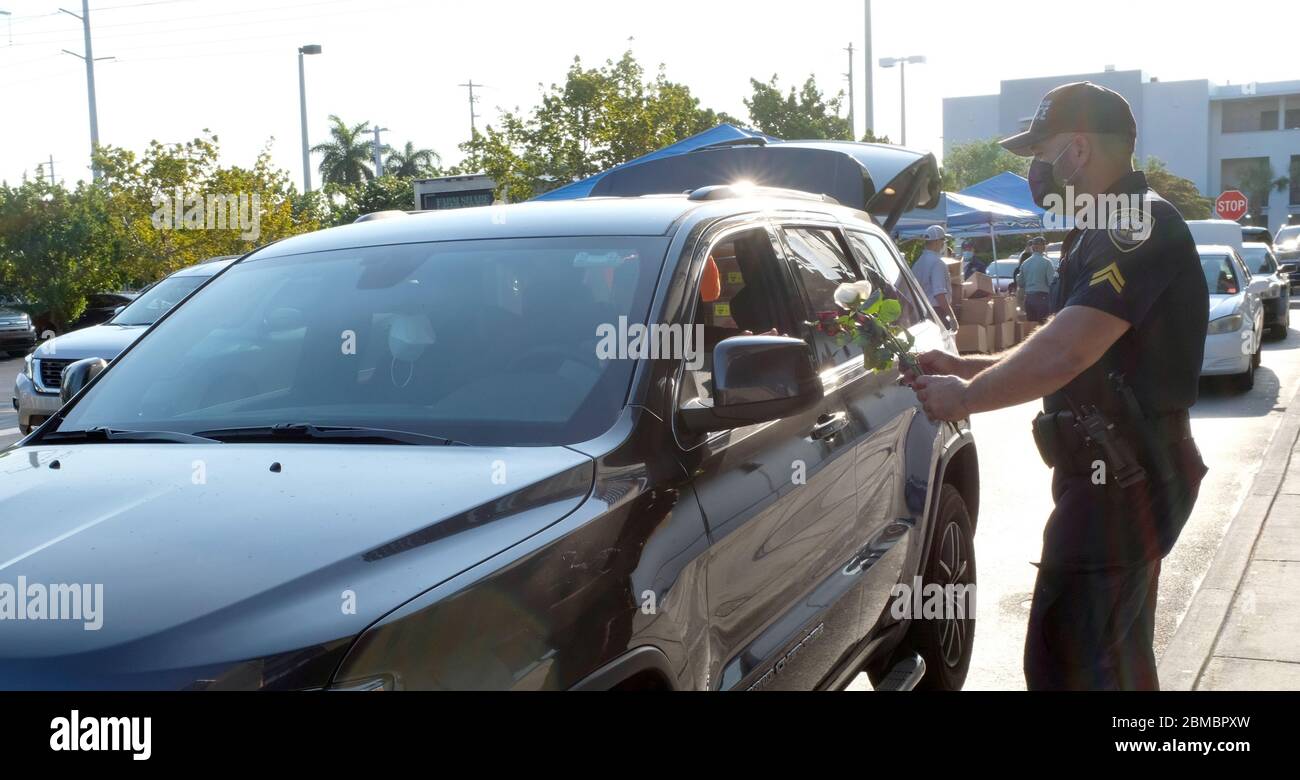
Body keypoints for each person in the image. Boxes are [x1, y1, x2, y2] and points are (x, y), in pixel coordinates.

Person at [904, 82, 1209, 691]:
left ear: (1077, 149)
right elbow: (1063, 340)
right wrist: (970, 369)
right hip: (1114, 479)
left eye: (1038, 156)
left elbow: (1071, 350)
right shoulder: (1101, 228)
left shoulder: (1135, 225)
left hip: (1124, 481)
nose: (1033, 172)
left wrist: (965, 401)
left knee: (1066, 666)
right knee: (1114, 663)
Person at [913, 225, 958, 330]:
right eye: (943, 240)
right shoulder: (937, 263)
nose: (943, 244)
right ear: (937, 241)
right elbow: (939, 294)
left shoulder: (918, 262)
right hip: (936, 312)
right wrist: (952, 316)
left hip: (921, 311)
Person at [1019, 237, 1057, 322]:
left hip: (1028, 299)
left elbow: (1020, 283)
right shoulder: (1047, 262)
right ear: (1043, 247)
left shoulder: (1025, 263)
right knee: (1043, 327)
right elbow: (1051, 282)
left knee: (1031, 328)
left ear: (1033, 247)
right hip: (1042, 298)